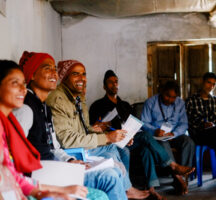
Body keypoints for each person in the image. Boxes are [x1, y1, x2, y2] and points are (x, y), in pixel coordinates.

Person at [13, 51, 124, 199]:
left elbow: (54, 147)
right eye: (47, 68)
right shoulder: (26, 108)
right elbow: (14, 155)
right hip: (41, 175)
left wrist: (69, 160)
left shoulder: (44, 107)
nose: (54, 73)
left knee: (114, 171)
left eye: (54, 69)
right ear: (32, 75)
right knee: (108, 178)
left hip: (54, 167)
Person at [46, 59, 149, 199]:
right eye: (75, 74)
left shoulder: (77, 96)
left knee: (118, 148)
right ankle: (123, 188)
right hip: (72, 151)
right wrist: (107, 137)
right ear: (64, 77)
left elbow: (83, 128)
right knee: (113, 164)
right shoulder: (58, 99)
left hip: (81, 144)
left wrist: (112, 135)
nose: (81, 78)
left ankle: (126, 188)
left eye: (84, 74)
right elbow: (67, 140)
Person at [89, 70, 195, 198]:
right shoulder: (97, 105)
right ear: (104, 86)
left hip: (130, 139)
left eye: (116, 82)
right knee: (146, 137)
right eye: (110, 82)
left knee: (146, 149)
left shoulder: (125, 105)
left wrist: (133, 130)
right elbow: (93, 128)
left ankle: (152, 188)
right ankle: (172, 165)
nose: (114, 84)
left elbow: (135, 123)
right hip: (112, 139)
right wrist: (103, 125)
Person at [0, 59, 85, 200]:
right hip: (37, 174)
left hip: (32, 179)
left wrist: (49, 192)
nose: (22, 89)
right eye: (15, 83)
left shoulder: (8, 123)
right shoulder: (25, 111)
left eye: (23, 83)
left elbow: (14, 176)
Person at [140, 80, 195, 195]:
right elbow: (143, 123)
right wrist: (155, 131)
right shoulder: (150, 102)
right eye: (167, 96)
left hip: (174, 134)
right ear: (161, 91)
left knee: (188, 142)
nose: (170, 99)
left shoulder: (180, 103)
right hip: (157, 136)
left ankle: (182, 177)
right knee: (163, 142)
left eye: (173, 97)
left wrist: (174, 134)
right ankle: (177, 177)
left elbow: (184, 123)